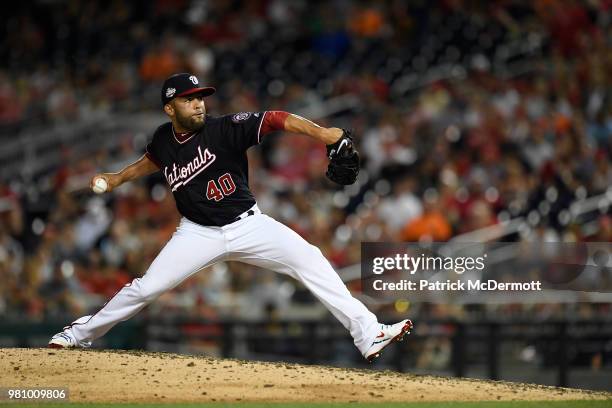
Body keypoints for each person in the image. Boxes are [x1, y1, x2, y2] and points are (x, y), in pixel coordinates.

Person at [48, 73, 412, 361]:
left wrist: (324, 134)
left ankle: (368, 332)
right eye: (188, 99)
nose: (198, 104)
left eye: (200, 97)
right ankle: (77, 335)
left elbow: (274, 118)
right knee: (147, 288)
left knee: (311, 258)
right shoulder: (162, 139)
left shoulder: (224, 128)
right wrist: (117, 178)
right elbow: (151, 161)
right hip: (197, 234)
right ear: (169, 109)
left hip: (249, 224)